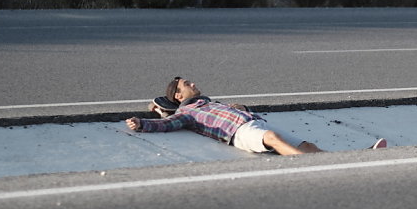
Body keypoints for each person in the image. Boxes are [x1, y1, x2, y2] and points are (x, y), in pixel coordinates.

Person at [126, 76, 386, 155]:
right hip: (239, 134)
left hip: (253, 123)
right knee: (271, 138)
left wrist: (241, 109)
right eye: (187, 84)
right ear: (179, 96)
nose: (193, 84)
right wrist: (141, 124)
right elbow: (167, 123)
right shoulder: (188, 113)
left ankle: (344, 160)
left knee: (307, 145)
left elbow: (163, 107)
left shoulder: (209, 102)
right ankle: (317, 166)